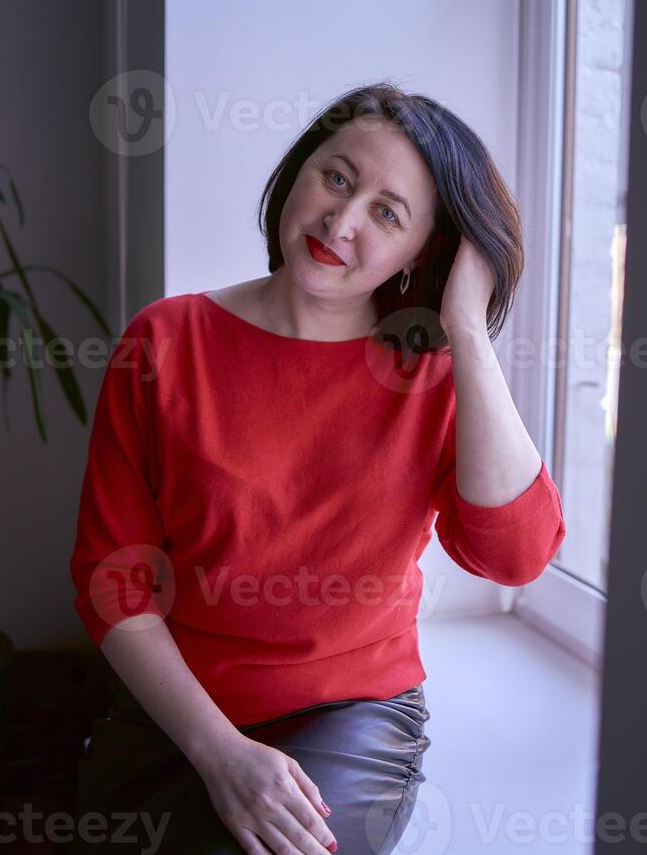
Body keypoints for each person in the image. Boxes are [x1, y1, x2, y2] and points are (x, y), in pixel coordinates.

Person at [67, 82, 566, 854]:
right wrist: (218, 750)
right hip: (175, 703)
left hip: (350, 711)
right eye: (336, 177)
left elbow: (516, 555)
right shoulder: (163, 341)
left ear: (422, 251)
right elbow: (113, 577)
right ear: (297, 173)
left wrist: (465, 326)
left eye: (387, 212)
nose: (342, 221)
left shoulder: (429, 377)